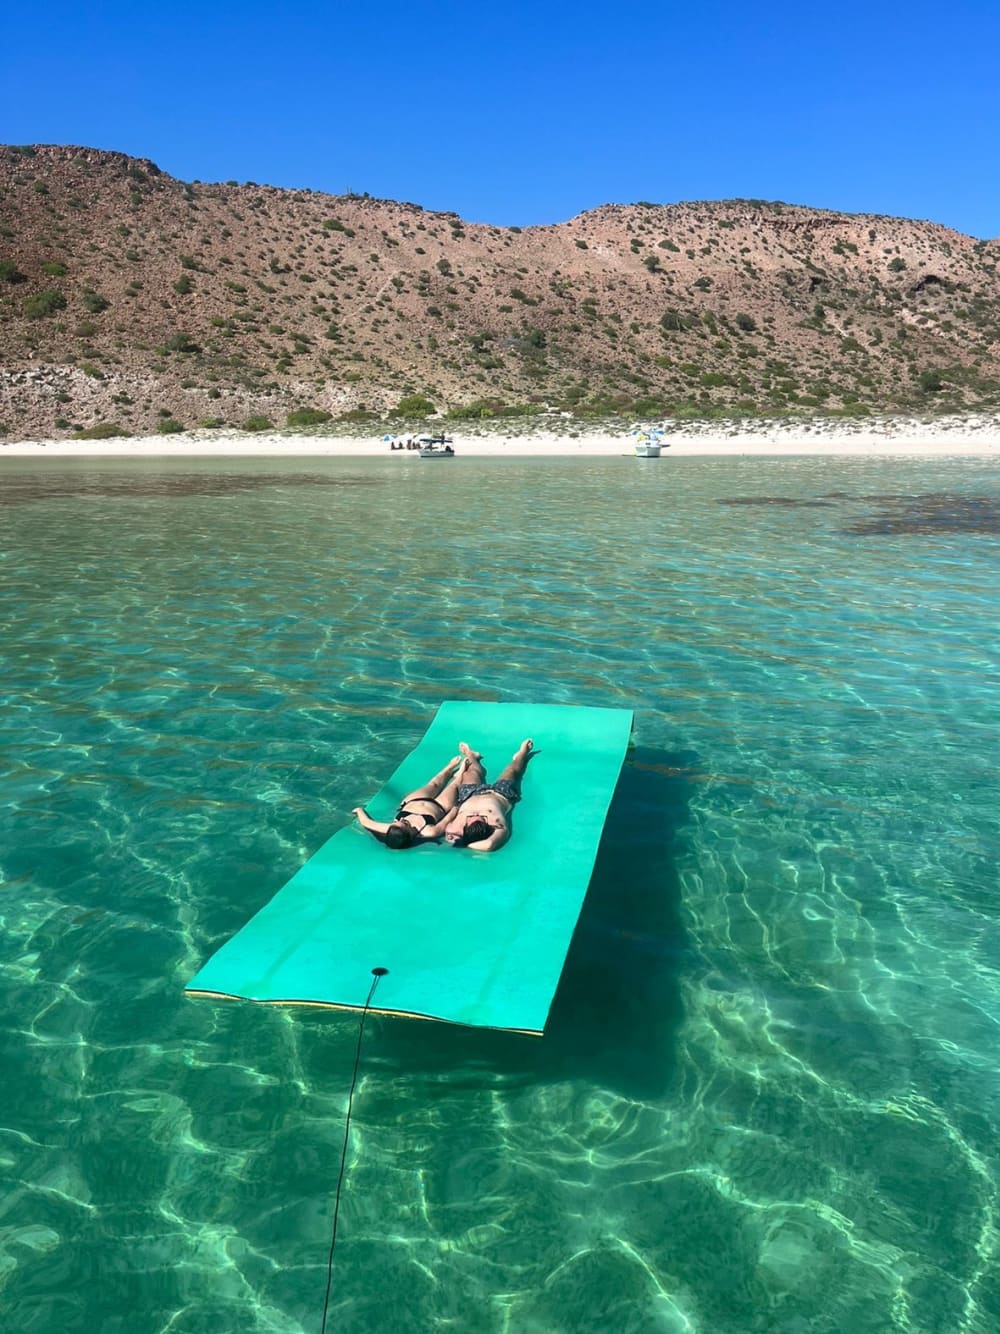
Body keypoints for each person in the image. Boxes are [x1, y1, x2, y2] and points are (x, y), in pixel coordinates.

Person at [424, 739, 536, 852]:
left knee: (470, 772)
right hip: (501, 794)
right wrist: (468, 842)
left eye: (471, 818)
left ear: (465, 827)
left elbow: (486, 844)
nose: (476, 814)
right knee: (512, 771)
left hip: (470, 794)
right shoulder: (498, 825)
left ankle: (470, 755)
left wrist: (463, 841)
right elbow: (490, 844)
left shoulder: (454, 828)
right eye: (482, 818)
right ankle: (522, 754)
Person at [352, 751, 475, 849]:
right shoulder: (428, 831)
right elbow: (447, 820)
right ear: (410, 834)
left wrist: (359, 810)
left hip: (413, 801)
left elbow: (366, 823)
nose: (403, 819)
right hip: (439, 806)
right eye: (405, 823)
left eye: (398, 821)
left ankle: (449, 767)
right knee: (454, 786)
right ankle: (460, 773)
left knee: (434, 784)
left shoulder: (392, 829)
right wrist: (457, 807)